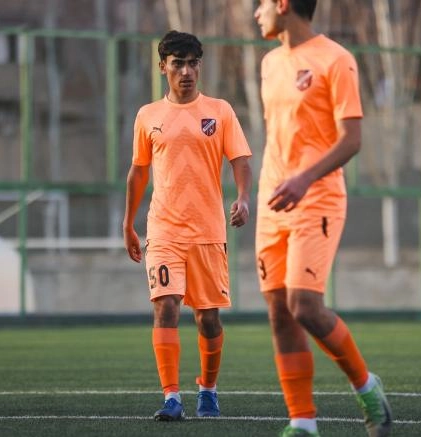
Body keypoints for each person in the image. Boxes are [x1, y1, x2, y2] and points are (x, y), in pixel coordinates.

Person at [253, 1, 392, 436]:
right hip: (273, 201)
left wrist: (303, 179)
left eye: (261, 3)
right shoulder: (269, 63)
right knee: (279, 311)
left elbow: (352, 140)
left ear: (283, 4)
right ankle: (302, 422)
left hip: (317, 198)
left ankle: (366, 386)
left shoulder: (336, 59)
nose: (257, 12)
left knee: (305, 306)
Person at [123, 30, 252, 421]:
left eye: (192, 63)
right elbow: (138, 172)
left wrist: (243, 197)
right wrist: (128, 223)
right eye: (177, 63)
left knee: (207, 319)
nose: (186, 71)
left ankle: (207, 390)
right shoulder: (148, 116)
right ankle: (171, 398)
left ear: (200, 66)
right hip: (163, 231)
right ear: (162, 67)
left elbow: (240, 160)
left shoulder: (220, 111)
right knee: (165, 307)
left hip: (209, 232)